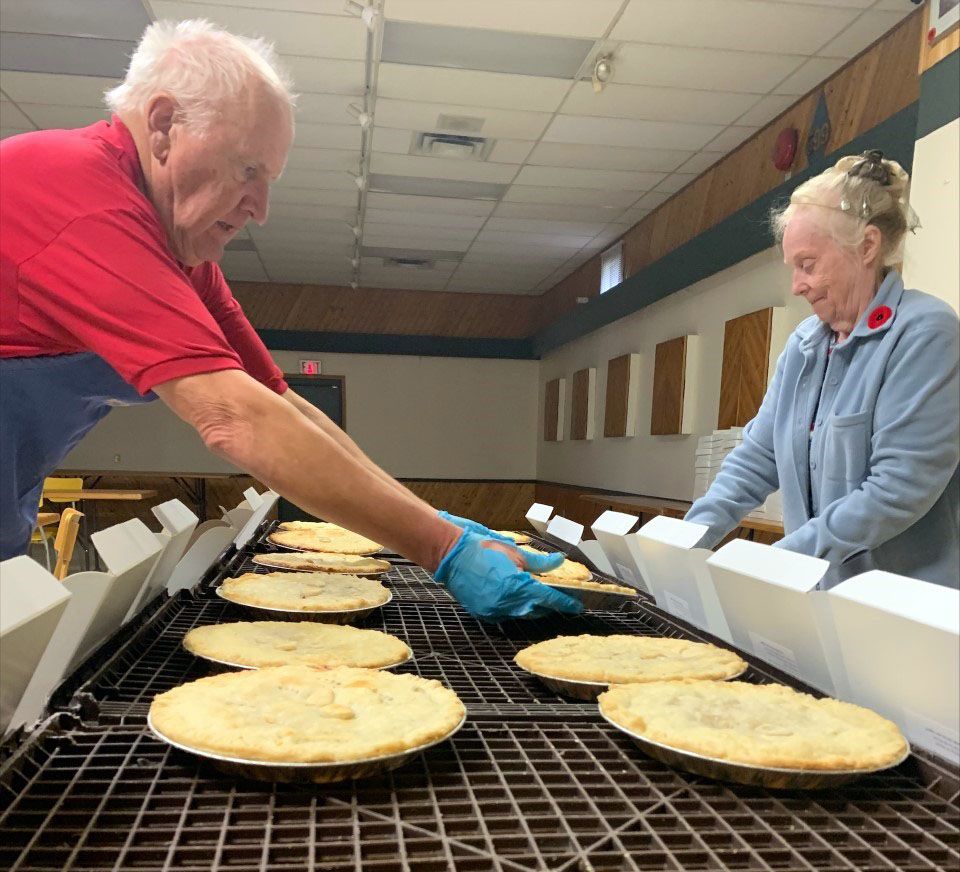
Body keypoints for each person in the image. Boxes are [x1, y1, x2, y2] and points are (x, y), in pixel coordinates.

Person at [0, 19, 580, 621]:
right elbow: (233, 417)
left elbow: (281, 403)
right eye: (248, 169)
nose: (261, 208)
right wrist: (442, 551)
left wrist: (434, 523)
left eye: (268, 180)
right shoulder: (78, 197)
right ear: (165, 124)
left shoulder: (181, 254)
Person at [685, 150, 959, 588]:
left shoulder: (925, 332)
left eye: (808, 265)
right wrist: (685, 539)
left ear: (867, 246)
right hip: (820, 593)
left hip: (903, 607)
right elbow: (757, 457)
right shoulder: (805, 345)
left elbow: (899, 488)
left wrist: (780, 561)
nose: (797, 286)